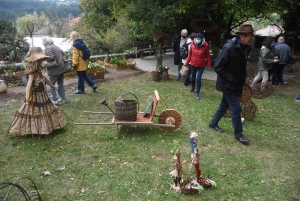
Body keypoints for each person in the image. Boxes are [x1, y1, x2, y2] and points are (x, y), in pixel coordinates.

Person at [209, 24, 255, 145]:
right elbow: (218, 66)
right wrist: (231, 79)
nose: (252, 38)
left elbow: (238, 65)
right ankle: (239, 135)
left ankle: (213, 123)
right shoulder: (229, 47)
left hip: (235, 84)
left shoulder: (244, 47)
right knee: (236, 108)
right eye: (250, 36)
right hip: (227, 84)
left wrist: (242, 76)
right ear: (242, 37)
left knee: (223, 106)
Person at [8, 47, 66, 136]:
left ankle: (47, 127)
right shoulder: (32, 74)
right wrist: (27, 98)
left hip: (43, 95)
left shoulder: (39, 71)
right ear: (34, 62)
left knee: (45, 109)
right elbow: (28, 86)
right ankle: (34, 129)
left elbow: (45, 78)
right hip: (34, 96)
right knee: (35, 111)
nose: (41, 62)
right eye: (39, 61)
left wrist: (51, 85)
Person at [42, 36, 71, 104]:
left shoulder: (48, 48)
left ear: (45, 42)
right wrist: (63, 58)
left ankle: (54, 100)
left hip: (55, 70)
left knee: (51, 84)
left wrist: (44, 58)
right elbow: (65, 54)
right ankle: (63, 98)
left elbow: (51, 57)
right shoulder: (56, 46)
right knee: (60, 84)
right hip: (62, 68)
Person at [184, 33, 211, 99]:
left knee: (198, 79)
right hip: (193, 64)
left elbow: (208, 55)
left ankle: (197, 93)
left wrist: (209, 64)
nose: (197, 40)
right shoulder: (192, 44)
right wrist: (186, 62)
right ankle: (193, 87)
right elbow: (190, 54)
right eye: (196, 39)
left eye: (199, 39)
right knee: (193, 78)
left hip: (201, 65)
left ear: (202, 39)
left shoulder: (205, 45)